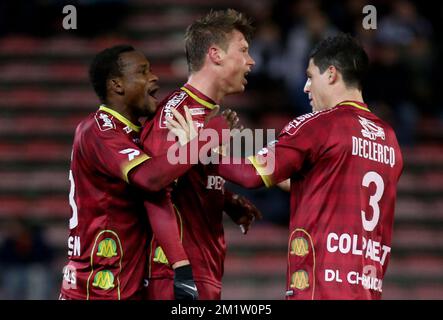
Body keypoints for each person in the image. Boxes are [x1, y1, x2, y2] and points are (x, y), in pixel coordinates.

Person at [218, 33, 404, 299]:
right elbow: (325, 185)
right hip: (367, 289)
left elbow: (250, 176)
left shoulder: (317, 125)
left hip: (320, 286)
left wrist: (206, 153)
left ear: (331, 74)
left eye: (310, 76)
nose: (305, 87)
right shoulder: (389, 138)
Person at [59, 44, 235, 300]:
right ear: (116, 85)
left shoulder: (133, 134)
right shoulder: (99, 129)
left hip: (123, 283)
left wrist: (227, 200)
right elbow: (150, 179)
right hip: (97, 288)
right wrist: (207, 138)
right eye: (142, 72)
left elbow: (164, 178)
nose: (154, 77)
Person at [140, 9, 262, 300]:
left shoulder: (207, 114)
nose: (251, 61)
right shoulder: (177, 113)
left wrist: (226, 201)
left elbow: (185, 173)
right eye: (243, 50)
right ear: (216, 54)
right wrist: (181, 271)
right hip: (177, 276)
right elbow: (153, 187)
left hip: (204, 268)